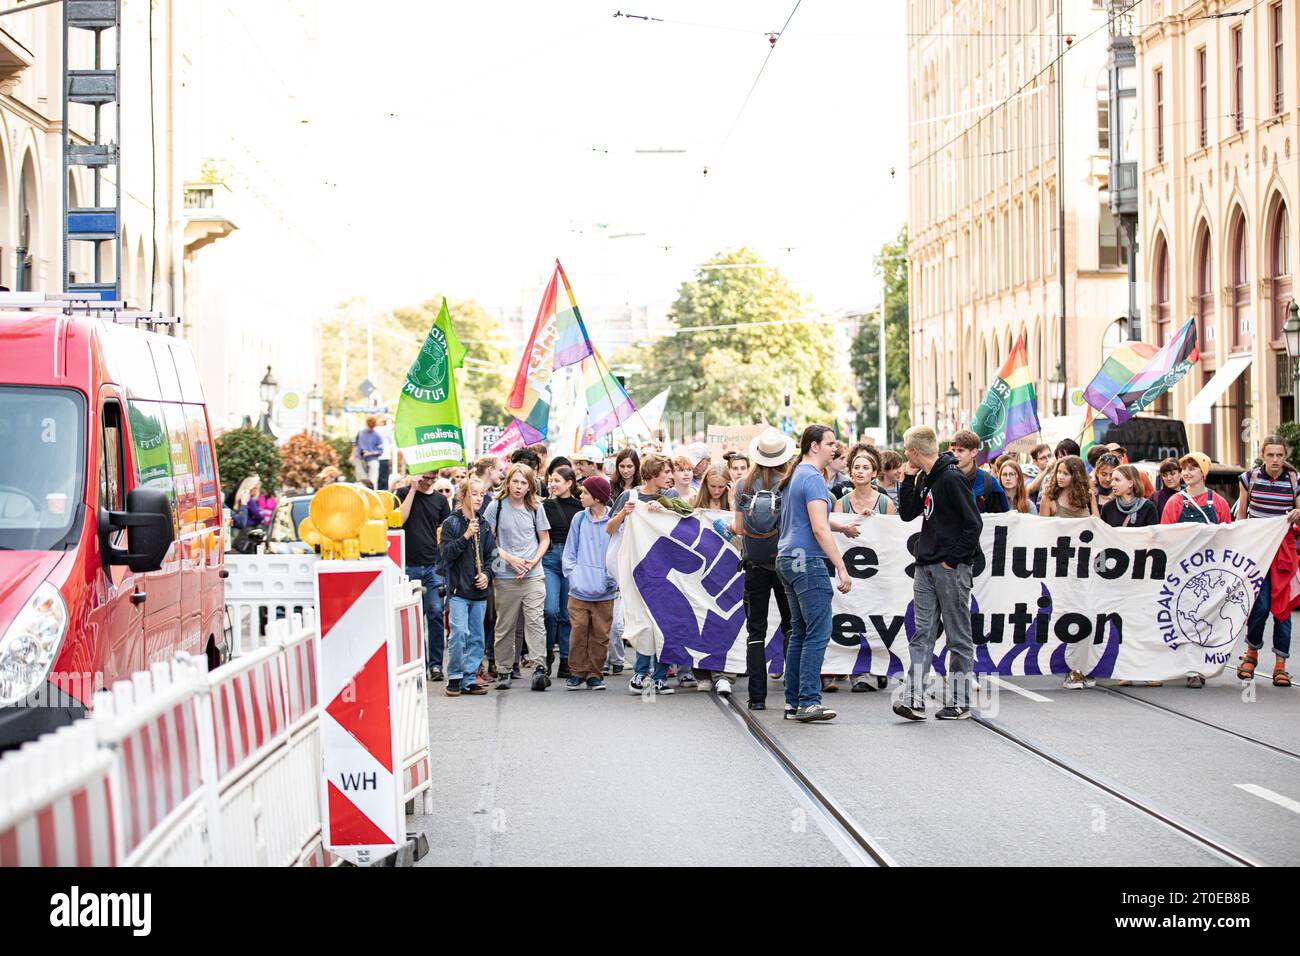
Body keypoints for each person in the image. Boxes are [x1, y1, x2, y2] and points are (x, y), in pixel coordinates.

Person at [895, 425, 983, 721]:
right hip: (927, 564)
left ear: (916, 452)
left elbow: (973, 523)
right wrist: (908, 479)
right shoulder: (925, 477)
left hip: (948, 565)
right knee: (922, 633)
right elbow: (908, 512)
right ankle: (914, 698)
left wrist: (953, 559)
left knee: (958, 634)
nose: (905, 455)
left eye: (907, 451)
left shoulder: (951, 477)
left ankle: (960, 701)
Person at [775, 425, 860, 723]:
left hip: (788, 558)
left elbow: (810, 518)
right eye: (830, 443)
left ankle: (793, 700)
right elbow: (818, 527)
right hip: (807, 560)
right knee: (818, 632)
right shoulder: (812, 478)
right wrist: (841, 565)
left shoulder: (798, 474)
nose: (834, 448)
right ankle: (809, 701)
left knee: (800, 632)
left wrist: (843, 526)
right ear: (814, 446)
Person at [734, 429, 796, 709]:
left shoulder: (743, 485)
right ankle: (791, 693)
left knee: (755, 631)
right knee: (792, 628)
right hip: (784, 561)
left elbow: (737, 528)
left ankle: (757, 697)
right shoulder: (790, 483)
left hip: (755, 564)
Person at [608, 453, 680, 695]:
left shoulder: (671, 496)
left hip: (667, 571)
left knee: (665, 624)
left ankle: (660, 676)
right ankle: (641, 673)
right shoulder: (631, 496)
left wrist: (667, 508)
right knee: (643, 623)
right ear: (652, 474)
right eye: (667, 472)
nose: (671, 476)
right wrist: (624, 513)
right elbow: (609, 528)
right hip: (640, 569)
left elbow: (687, 518)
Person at [1159, 452, 1233, 688]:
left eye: (1193, 468)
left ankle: (1197, 669)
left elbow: (1228, 537)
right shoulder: (1175, 502)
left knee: (1205, 620)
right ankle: (1185, 664)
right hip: (1182, 571)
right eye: (1184, 469)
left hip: (1209, 573)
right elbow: (1165, 536)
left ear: (1203, 472)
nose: (1187, 473)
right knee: (1184, 618)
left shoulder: (1219, 502)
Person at [1236, 436, 1300, 687]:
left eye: (1279, 455)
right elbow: (1241, 516)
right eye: (1270, 455)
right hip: (1257, 552)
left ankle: (1280, 665)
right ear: (1262, 454)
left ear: (1286, 457)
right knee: (1260, 606)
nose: (1275, 460)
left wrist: (1297, 515)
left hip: (1283, 552)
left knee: (1283, 610)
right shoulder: (1249, 478)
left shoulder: (1294, 481)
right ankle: (1251, 654)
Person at [483, 463, 552, 690]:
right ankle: (504, 669)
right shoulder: (496, 507)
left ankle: (539, 668)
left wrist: (534, 560)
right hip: (505, 575)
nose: (519, 487)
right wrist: (510, 559)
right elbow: (488, 541)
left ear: (530, 485)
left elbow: (544, 539)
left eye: (524, 483)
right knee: (505, 625)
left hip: (533, 574)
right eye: (515, 481)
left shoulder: (535, 507)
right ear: (508, 482)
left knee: (535, 622)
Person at [438, 476, 495, 697]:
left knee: (477, 636)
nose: (479, 498)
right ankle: (454, 676)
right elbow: (446, 554)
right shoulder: (451, 523)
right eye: (474, 493)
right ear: (462, 496)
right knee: (459, 633)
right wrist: (466, 536)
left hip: (479, 591)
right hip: (458, 590)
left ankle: (470, 677)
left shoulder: (485, 525)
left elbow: (493, 556)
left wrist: (487, 575)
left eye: (482, 494)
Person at [562, 476, 618, 690]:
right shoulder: (579, 519)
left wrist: (610, 579)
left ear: (597, 497)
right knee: (578, 631)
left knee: (601, 634)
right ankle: (576, 672)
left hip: (604, 591)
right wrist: (573, 576)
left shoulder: (614, 520)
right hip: (579, 591)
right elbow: (570, 551)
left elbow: (616, 552)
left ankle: (595, 673)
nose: (581, 496)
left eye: (585, 493)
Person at [397, 472, 451, 682]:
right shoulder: (402, 493)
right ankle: (415, 665)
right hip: (408, 565)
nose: (428, 481)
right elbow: (400, 520)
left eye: (432, 478)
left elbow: (446, 529)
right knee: (412, 618)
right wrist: (412, 490)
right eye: (425, 477)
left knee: (436, 614)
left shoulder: (439, 500)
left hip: (433, 566)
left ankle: (435, 665)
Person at [542, 465, 582, 679]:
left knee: (567, 614)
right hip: (549, 559)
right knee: (550, 611)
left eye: (557, 480)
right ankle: (547, 654)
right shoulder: (544, 506)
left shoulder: (579, 507)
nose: (552, 484)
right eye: (550, 480)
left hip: (571, 560)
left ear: (569, 483)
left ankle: (566, 659)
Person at [949, 430, 1009, 513]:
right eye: (953, 450)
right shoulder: (944, 479)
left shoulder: (989, 482)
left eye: (960, 450)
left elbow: (999, 519)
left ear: (974, 452)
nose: (955, 455)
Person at [837, 444, 896, 517]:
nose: (860, 471)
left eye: (865, 468)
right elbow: (837, 528)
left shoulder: (886, 503)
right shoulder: (841, 504)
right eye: (856, 467)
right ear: (851, 472)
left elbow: (890, 528)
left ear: (874, 473)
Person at [1100, 464, 1158, 528]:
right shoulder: (1108, 508)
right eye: (1112, 480)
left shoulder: (1148, 507)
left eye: (1117, 480)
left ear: (1130, 483)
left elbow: (1153, 535)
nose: (1112, 484)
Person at [354, 415, 384, 487]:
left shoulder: (377, 435)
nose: (371, 428)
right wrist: (352, 456)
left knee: (373, 479)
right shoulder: (361, 432)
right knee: (361, 478)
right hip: (360, 458)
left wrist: (370, 453)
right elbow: (355, 444)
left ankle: (372, 493)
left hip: (372, 459)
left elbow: (381, 451)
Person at [1025, 443, 1054, 508]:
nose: (1048, 460)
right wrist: (1046, 470)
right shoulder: (1030, 479)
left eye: (1049, 456)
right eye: (1043, 458)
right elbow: (1031, 488)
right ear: (1035, 462)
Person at [376, 416, 395, 491]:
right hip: (384, 457)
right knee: (384, 478)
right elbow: (391, 440)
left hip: (374, 458)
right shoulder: (387, 429)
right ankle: (383, 495)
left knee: (377, 477)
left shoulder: (374, 429)